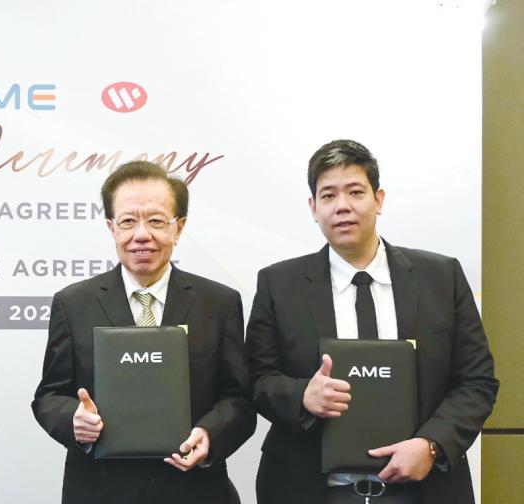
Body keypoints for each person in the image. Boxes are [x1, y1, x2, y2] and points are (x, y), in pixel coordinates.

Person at [246, 139, 499, 503]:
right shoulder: (278, 284)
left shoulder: (441, 277)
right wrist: (302, 395)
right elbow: (256, 379)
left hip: (423, 490)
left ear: (378, 199)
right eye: (329, 196)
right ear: (313, 207)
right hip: (311, 489)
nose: (343, 206)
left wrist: (431, 445)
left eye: (355, 192)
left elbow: (477, 382)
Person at [32, 161, 255, 503]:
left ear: (178, 228)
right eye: (127, 221)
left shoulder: (219, 303)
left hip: (195, 490)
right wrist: (74, 422)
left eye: (156, 221)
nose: (141, 235)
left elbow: (239, 400)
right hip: (100, 490)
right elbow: (48, 397)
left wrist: (210, 434)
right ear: (111, 228)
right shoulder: (73, 303)